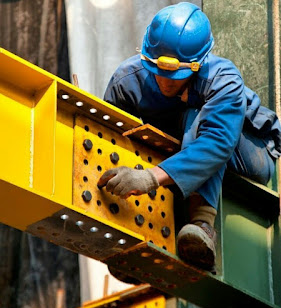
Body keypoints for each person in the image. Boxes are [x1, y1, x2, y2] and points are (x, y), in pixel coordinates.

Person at [97, 2, 281, 273]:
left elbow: (218, 143)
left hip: (250, 152)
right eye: (158, 71)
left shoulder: (223, 79)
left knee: (198, 116)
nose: (165, 81)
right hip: (178, 154)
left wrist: (149, 178)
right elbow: (108, 139)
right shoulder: (126, 82)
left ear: (199, 63)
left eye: (175, 75)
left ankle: (202, 222)